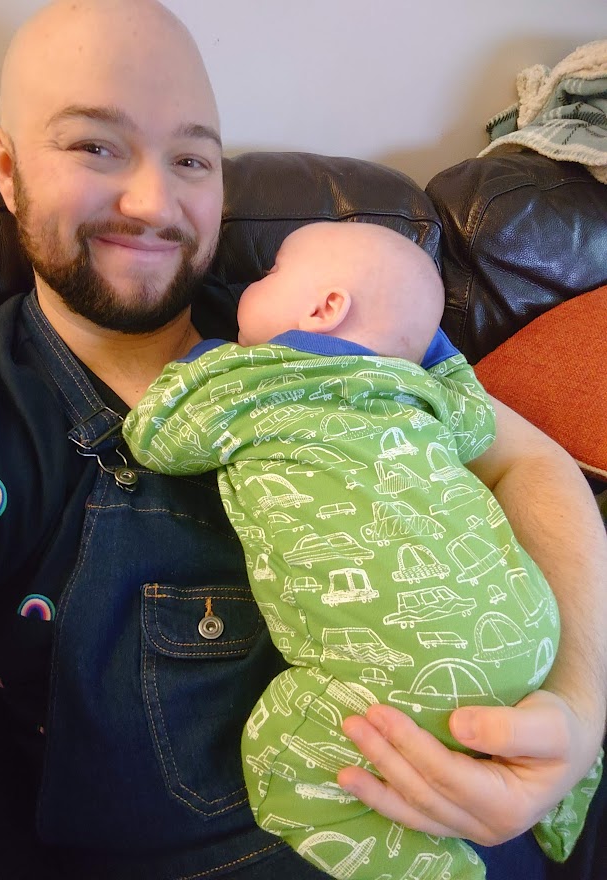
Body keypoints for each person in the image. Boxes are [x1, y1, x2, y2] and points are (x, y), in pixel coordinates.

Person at [0, 1, 605, 877]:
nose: (153, 202)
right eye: (95, 146)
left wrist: (576, 714)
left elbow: (527, 459)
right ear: (7, 167)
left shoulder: (325, 323)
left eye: (191, 159)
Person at [123, 220, 602, 879]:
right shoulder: (419, 391)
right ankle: (571, 798)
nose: (249, 282)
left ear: (324, 308)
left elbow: (158, 440)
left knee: (284, 752)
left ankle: (427, 869)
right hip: (530, 630)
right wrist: (422, 344)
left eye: (269, 274)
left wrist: (190, 370)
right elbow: (477, 420)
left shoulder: (247, 382)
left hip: (404, 670)